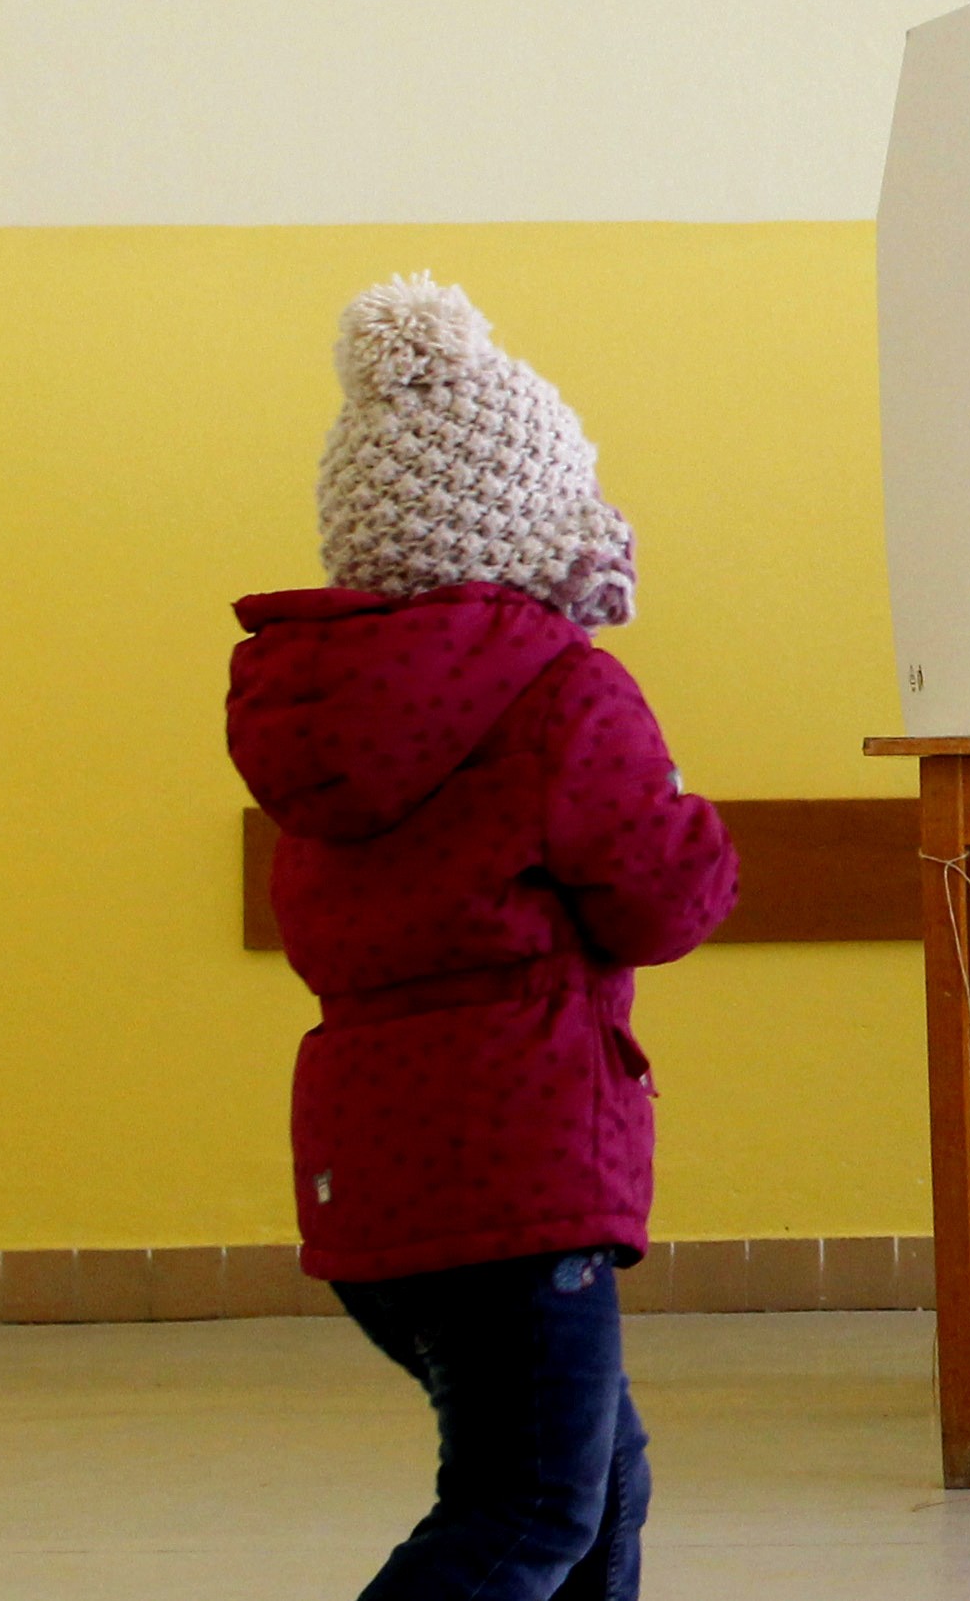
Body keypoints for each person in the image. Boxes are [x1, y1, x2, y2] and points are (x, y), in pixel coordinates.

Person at [229, 274, 739, 1601]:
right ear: (533, 525)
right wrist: (693, 820)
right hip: (519, 1165)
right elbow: (662, 899)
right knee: (524, 1512)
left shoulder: (328, 708)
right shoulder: (563, 691)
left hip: (369, 1170)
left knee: (594, 1479)